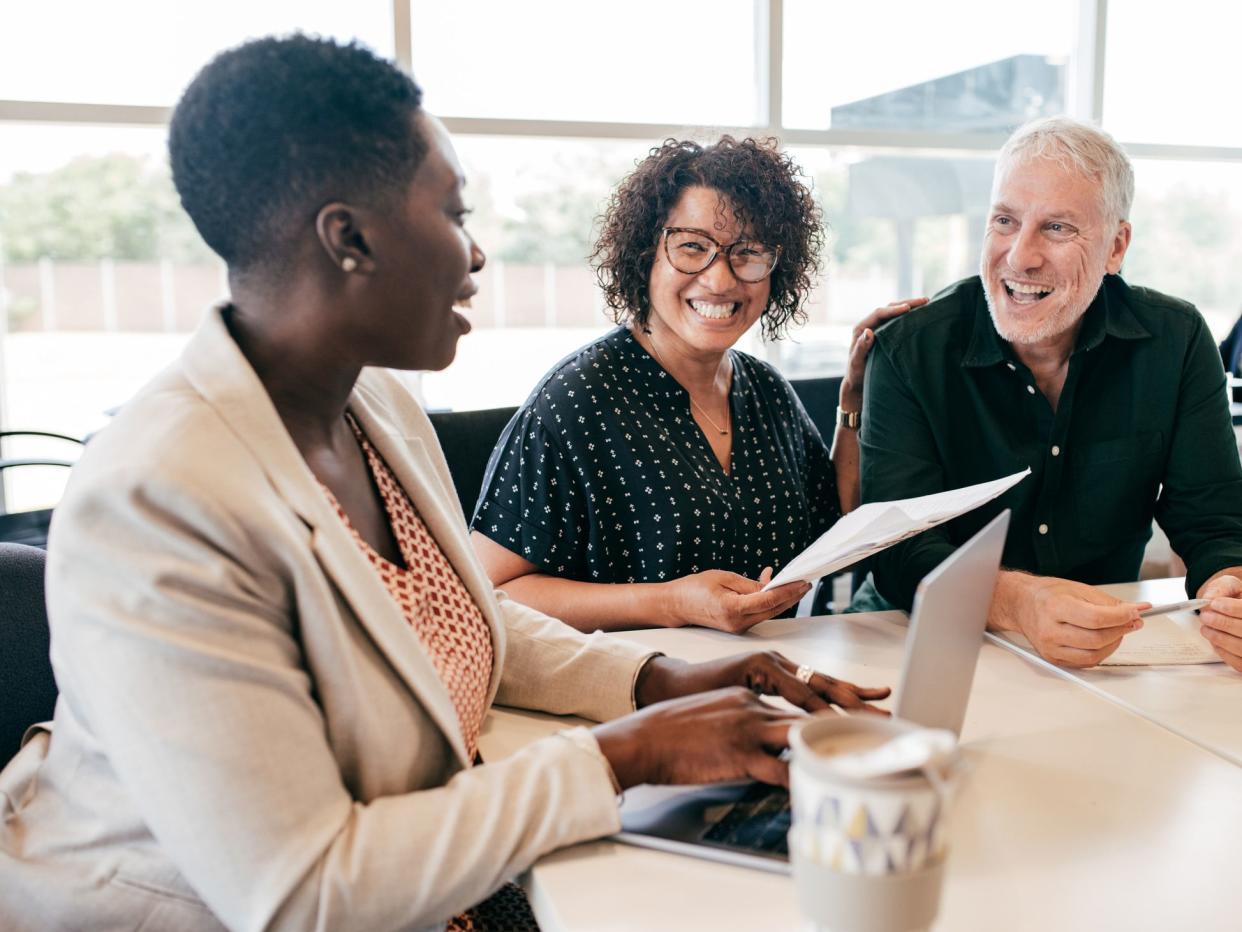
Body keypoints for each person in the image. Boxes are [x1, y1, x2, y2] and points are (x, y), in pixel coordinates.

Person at [0, 36, 891, 931]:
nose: (477, 257)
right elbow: (303, 893)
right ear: (349, 238)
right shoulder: (156, 498)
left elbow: (456, 612)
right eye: (455, 214)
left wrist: (663, 682)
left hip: (443, 877)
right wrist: (626, 756)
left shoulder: (375, 404)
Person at [470, 136, 921, 633]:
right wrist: (670, 603)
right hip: (633, 691)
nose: (721, 280)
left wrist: (853, 400)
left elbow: (836, 521)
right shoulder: (576, 401)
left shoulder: (765, 391)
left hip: (767, 679)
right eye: (692, 247)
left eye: (747, 252)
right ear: (645, 255)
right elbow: (493, 592)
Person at [860, 116, 1242, 671]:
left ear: (1116, 246)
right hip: (919, 638)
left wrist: (1231, 590)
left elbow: (1214, 523)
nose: (1020, 256)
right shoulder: (908, 352)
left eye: (1058, 228)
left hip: (1105, 651)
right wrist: (1020, 602)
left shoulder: (1177, 341)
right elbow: (900, 550)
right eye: (1005, 220)